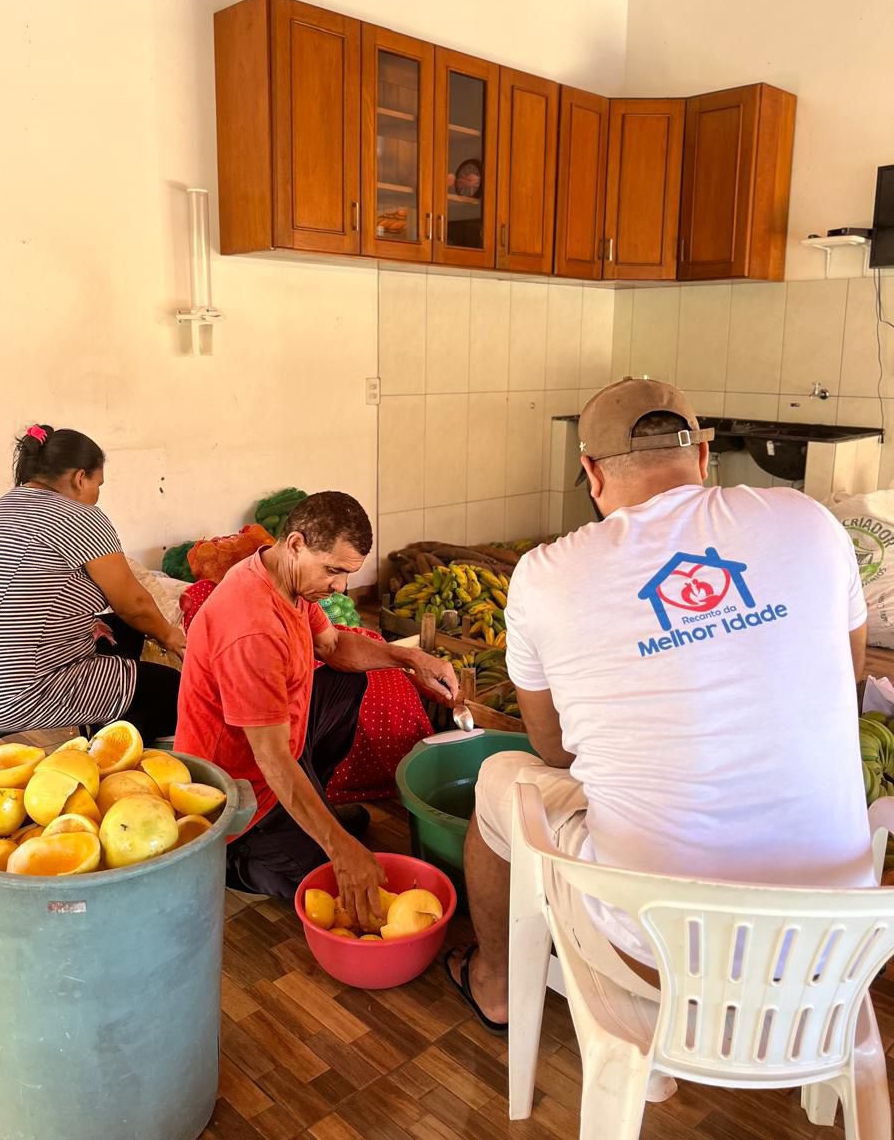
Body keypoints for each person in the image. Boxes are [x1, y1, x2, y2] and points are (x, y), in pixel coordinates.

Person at [447, 377, 872, 1032]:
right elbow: (846, 682)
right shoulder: (811, 522)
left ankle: (496, 984)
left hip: (654, 949)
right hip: (833, 946)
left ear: (590, 472)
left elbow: (555, 750)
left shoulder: (545, 574)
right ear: (704, 457)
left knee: (499, 782)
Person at [174, 490, 458, 926]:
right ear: (296, 544)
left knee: (349, 682)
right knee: (339, 895)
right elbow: (270, 758)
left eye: (346, 574)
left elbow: (335, 646)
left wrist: (411, 659)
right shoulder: (252, 627)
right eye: (333, 571)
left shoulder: (285, 577)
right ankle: (237, 857)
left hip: (274, 745)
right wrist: (340, 847)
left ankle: (313, 810)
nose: (340, 587)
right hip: (239, 793)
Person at [0, 425, 185, 741]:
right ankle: (110, 761)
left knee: (121, 632)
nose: (97, 494)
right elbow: (134, 605)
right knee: (174, 693)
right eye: (98, 484)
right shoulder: (81, 516)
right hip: (19, 694)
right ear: (79, 478)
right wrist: (173, 637)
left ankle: (108, 726)